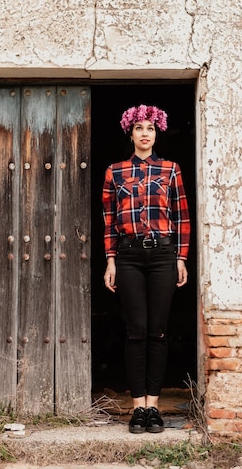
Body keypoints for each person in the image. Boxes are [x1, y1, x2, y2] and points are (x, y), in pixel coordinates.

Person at [102, 104, 190, 434]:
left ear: (157, 133)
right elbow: (109, 222)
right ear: (130, 132)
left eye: (150, 128)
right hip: (128, 257)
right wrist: (111, 261)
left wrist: (180, 258)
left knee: (158, 331)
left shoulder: (171, 170)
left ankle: (154, 407)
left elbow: (181, 216)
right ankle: (137, 409)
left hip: (163, 257)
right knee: (135, 332)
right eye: (139, 127)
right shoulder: (115, 171)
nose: (144, 133)